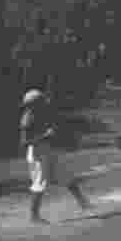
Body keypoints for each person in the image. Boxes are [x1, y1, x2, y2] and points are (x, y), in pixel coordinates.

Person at [20, 88, 93, 223]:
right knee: (39, 183)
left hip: (49, 150)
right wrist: (44, 136)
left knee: (66, 175)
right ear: (34, 105)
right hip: (37, 154)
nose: (44, 103)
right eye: (41, 102)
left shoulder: (42, 112)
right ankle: (34, 216)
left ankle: (83, 202)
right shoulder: (27, 119)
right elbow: (24, 143)